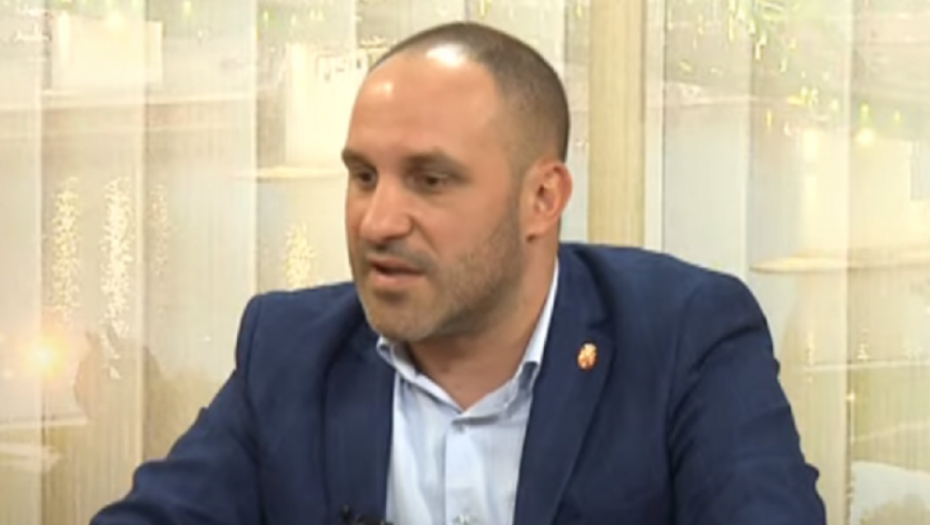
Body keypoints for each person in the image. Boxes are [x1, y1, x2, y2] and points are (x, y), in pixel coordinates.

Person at [91, 22, 826, 525]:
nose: (378, 221)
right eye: (363, 176)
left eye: (430, 180)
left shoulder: (684, 335)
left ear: (542, 199)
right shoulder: (290, 349)